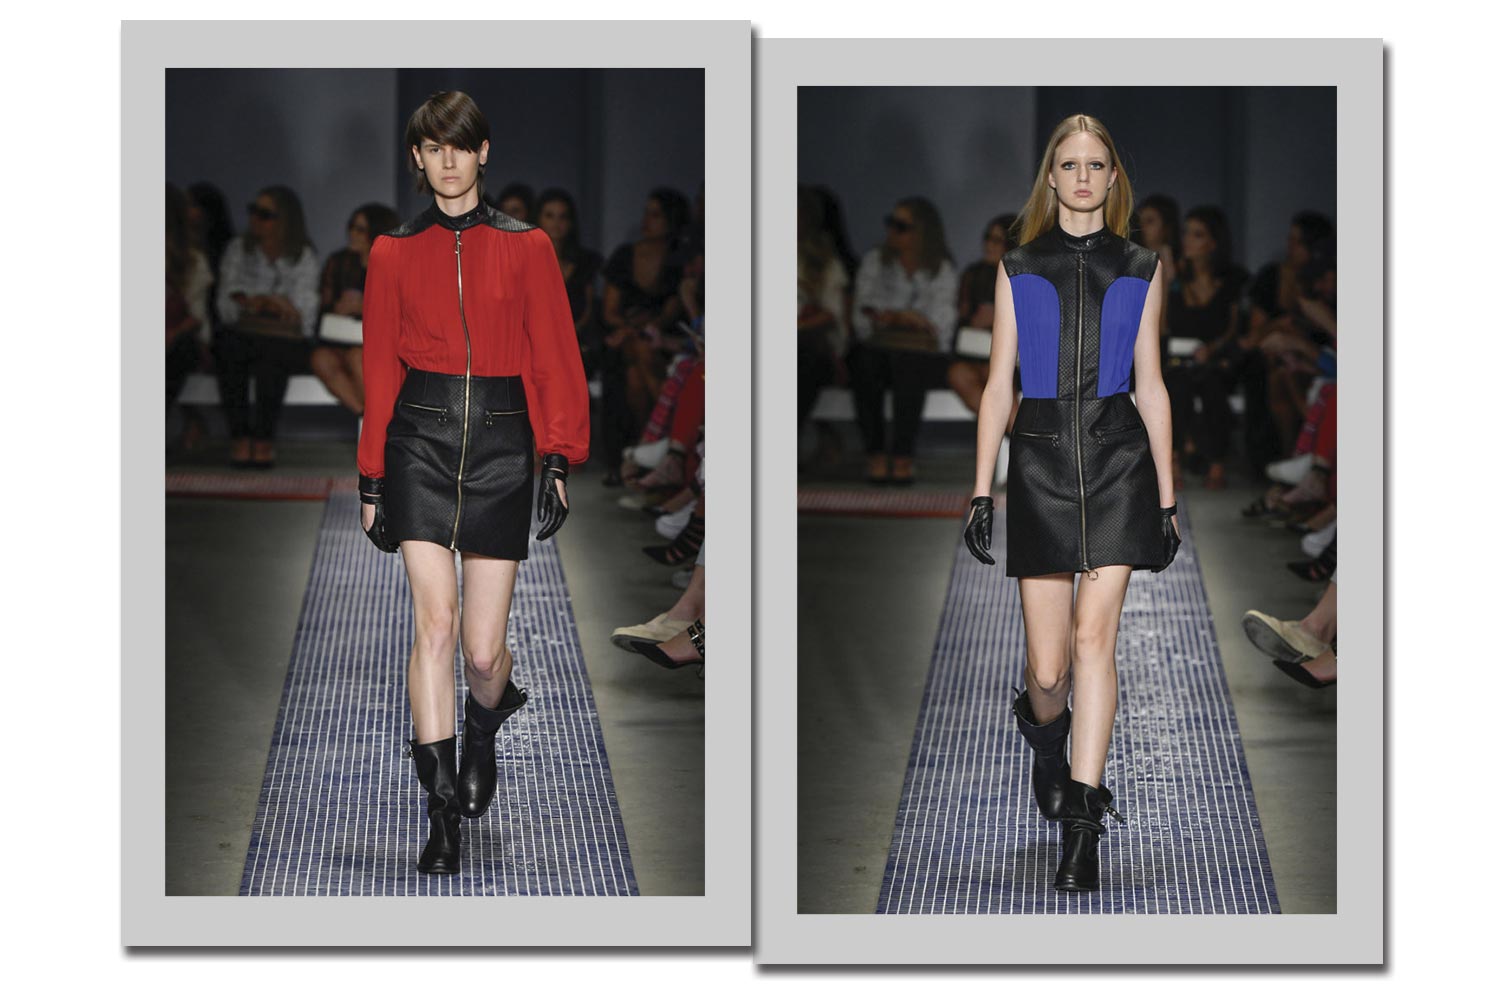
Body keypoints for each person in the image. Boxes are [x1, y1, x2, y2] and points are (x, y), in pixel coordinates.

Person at [356, 91, 589, 876]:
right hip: (418, 443)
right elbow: (377, 369)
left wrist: (558, 457)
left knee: (485, 655)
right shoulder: (391, 252)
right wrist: (371, 476)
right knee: (436, 627)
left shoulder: (529, 248)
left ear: (483, 152)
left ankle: (484, 727)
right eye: (433, 147)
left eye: (460, 145)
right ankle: (441, 810)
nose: (448, 160)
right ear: (417, 159)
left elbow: (555, 355)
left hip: (500, 446)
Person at [963, 113, 1178, 893]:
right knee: (1049, 671)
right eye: (1069, 165)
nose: (1082, 178)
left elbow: (1152, 383)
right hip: (1042, 466)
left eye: (1095, 165)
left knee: (1094, 642)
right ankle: (1047, 744)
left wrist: (1166, 498)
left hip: (1119, 463)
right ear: (1050, 178)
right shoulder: (1019, 265)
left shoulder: (1142, 265)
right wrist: (981, 488)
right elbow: (998, 385)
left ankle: (1082, 826)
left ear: (1113, 177)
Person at [848, 196, 958, 484]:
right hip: (879, 347)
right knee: (864, 363)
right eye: (891, 223)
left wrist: (910, 319)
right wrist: (899, 318)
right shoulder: (875, 262)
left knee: (909, 366)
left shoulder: (941, 268)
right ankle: (875, 453)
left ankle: (902, 455)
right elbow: (862, 315)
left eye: (902, 226)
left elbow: (943, 326)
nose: (892, 231)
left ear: (922, 230)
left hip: (922, 354)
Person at [213, 184, 321, 468]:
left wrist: (276, 305)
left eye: (265, 214)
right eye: (253, 211)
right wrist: (256, 303)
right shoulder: (239, 250)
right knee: (229, 347)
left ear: (285, 219)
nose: (256, 219)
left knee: (272, 356)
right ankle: (240, 436)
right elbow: (225, 305)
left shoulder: (302, 255)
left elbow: (307, 316)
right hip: (243, 333)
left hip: (284, 340)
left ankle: (262, 438)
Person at [308, 202, 401, 416]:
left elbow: (404, 312)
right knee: (321, 358)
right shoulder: (338, 262)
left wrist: (363, 307)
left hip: (381, 344)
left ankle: (381, 421)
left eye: (360, 229)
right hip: (342, 338)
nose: (352, 234)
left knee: (357, 357)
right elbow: (322, 309)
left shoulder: (394, 264)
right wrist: (337, 308)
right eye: (351, 227)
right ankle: (369, 416)